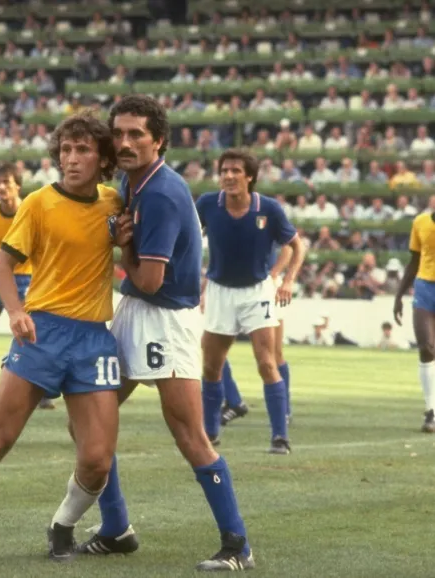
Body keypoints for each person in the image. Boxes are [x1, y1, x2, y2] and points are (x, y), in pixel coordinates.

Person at [0, 112, 126, 568]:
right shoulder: (37, 203)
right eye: (66, 150)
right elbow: (1, 265)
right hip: (42, 332)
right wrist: (14, 311)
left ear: (103, 158)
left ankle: (62, 524)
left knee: (97, 460)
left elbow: (130, 253)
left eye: (83, 150)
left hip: (93, 340)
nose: (71, 159)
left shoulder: (115, 203)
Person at [79, 95, 253, 572]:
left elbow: (150, 279)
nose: (125, 142)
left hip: (164, 319)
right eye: (118, 134)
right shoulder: (135, 182)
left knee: (190, 435)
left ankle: (238, 545)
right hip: (137, 310)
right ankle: (115, 529)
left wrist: (121, 248)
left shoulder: (158, 193)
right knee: (90, 418)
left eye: (137, 134)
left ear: (159, 140)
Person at [196, 149, 305, 455]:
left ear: (249, 177)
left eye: (235, 171)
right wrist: (195, 279)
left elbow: (296, 246)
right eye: (224, 171)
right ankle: (210, 432)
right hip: (220, 291)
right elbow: (189, 238)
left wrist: (287, 280)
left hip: (256, 292)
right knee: (211, 367)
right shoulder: (207, 203)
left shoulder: (268, 208)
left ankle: (280, 437)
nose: (228, 176)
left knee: (267, 362)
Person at [0, 162, 54, 410]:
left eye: (7, 182)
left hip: (28, 280)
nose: (2, 187)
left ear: (18, 186)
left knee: (33, 335)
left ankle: (42, 391)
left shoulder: (31, 210)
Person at [220, 244, 295, 428]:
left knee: (273, 355)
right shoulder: (223, 215)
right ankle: (233, 401)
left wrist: (275, 274)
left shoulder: (268, 214)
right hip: (233, 286)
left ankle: (283, 411)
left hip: (265, 287)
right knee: (215, 350)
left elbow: (289, 247)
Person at [394, 205, 435, 432]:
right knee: (427, 348)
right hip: (425, 288)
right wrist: (399, 295)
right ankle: (431, 411)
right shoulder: (420, 222)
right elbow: (414, 261)